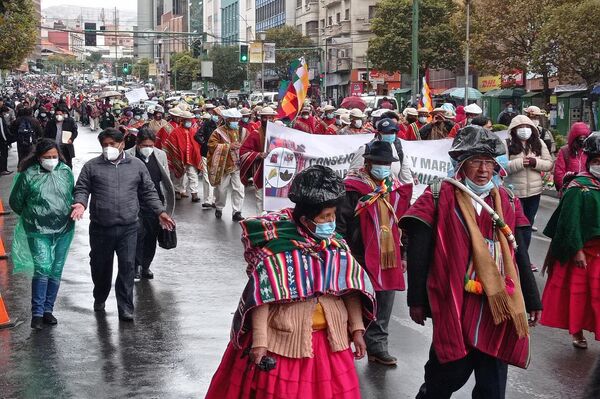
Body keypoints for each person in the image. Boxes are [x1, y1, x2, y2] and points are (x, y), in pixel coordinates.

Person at [205, 165, 376, 399]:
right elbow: (261, 298)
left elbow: (351, 290)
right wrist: (260, 342)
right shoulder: (277, 251)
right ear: (306, 220)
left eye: (333, 215)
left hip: (331, 343)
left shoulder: (337, 246)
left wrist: (357, 330)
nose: (331, 221)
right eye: (325, 217)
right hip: (283, 343)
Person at [400, 125, 542, 399]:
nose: (483, 170)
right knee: (443, 377)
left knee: (492, 385)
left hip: (497, 308)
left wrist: (532, 300)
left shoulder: (507, 200)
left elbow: (519, 253)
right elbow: (419, 253)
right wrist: (416, 300)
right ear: (461, 164)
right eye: (476, 162)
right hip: (454, 302)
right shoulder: (438, 196)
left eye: (489, 163)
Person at [71, 128, 175, 321]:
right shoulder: (91, 166)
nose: (108, 148)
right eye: (105, 145)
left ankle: (125, 307)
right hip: (101, 228)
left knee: (127, 267)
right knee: (100, 267)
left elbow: (149, 192)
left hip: (128, 227)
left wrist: (160, 211)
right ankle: (99, 296)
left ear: (122, 145)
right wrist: (80, 203)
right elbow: (82, 188)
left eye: (112, 144)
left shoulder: (136, 165)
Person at [338, 141, 412, 366]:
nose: (383, 167)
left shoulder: (395, 188)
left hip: (388, 255)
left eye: (386, 163)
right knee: (351, 302)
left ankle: (378, 346)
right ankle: (341, 347)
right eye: (378, 163)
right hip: (358, 254)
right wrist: (343, 252)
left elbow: (402, 222)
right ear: (367, 162)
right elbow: (340, 222)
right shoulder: (351, 188)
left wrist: (404, 254)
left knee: (384, 301)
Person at [541, 132, 600, 349]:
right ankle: (577, 332)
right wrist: (577, 251)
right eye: (596, 161)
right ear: (588, 160)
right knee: (580, 296)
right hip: (584, 252)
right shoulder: (579, 187)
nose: (599, 165)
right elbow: (569, 223)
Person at [9, 139, 76, 330]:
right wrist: (33, 215)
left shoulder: (65, 171)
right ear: (38, 158)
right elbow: (16, 201)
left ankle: (48, 310)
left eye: (55, 157)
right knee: (42, 267)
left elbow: (72, 193)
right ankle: (37, 313)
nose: (52, 160)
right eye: (47, 157)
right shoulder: (28, 175)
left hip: (64, 228)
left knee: (56, 268)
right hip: (38, 230)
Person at [125, 128, 175, 281]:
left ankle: (146, 265)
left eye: (151, 145)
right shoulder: (128, 155)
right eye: (144, 145)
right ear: (137, 144)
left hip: (155, 202)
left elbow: (165, 178)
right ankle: (135, 266)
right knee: (137, 234)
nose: (148, 148)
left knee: (151, 237)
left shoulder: (160, 155)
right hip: (134, 202)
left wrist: (165, 207)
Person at [503, 115, 554, 262]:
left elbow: (548, 164)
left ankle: (524, 259)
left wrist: (534, 162)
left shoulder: (539, 143)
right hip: (514, 193)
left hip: (534, 192)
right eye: (520, 127)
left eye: (526, 127)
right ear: (513, 130)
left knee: (527, 225)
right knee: (513, 226)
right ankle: (513, 256)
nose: (524, 130)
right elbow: (502, 167)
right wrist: (520, 163)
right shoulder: (507, 144)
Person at [349, 118, 413, 185]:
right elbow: (353, 176)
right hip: (366, 192)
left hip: (390, 193)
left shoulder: (399, 152)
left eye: (392, 132)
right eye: (386, 132)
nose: (389, 135)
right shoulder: (365, 149)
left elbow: (407, 180)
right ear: (378, 133)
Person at [207, 108, 245, 221]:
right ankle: (219, 207)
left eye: (237, 119)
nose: (235, 121)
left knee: (239, 188)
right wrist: (228, 146)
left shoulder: (241, 131)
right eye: (233, 119)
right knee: (222, 190)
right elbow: (211, 145)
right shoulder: (218, 132)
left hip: (238, 165)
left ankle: (237, 211)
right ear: (227, 120)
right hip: (223, 166)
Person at [240, 106, 277, 215]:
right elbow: (243, 151)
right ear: (261, 118)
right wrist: (258, 155)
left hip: (276, 171)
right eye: (265, 118)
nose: (268, 120)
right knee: (260, 197)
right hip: (261, 171)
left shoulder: (279, 134)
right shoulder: (255, 134)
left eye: (271, 118)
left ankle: (273, 222)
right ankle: (260, 222)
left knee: (275, 199)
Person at [164, 110, 203, 202]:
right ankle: (177, 191)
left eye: (190, 120)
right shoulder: (175, 132)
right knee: (178, 175)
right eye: (187, 120)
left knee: (193, 175)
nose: (189, 122)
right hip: (179, 157)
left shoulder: (193, 131)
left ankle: (194, 193)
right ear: (183, 120)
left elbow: (197, 144)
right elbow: (171, 145)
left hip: (192, 158)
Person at [554, 122, 591, 192]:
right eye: (580, 138)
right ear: (574, 138)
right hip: (569, 190)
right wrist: (566, 188)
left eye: (584, 137)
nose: (582, 140)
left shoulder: (589, 151)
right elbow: (559, 173)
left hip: (587, 190)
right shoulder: (564, 151)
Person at [195, 104, 218, 209]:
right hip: (206, 153)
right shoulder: (207, 124)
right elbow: (197, 135)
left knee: (217, 177)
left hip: (220, 154)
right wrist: (205, 144)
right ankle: (208, 200)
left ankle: (215, 200)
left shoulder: (225, 126)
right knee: (206, 176)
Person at [0, 110, 12, 176]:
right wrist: (5, 140)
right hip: (2, 140)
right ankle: (3, 170)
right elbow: (2, 131)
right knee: (4, 155)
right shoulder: (0, 119)